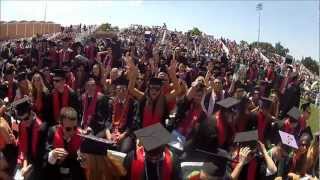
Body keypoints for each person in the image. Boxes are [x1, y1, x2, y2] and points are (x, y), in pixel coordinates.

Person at [128, 52, 180, 128]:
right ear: (148, 89)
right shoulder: (144, 97)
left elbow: (177, 90)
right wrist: (134, 73)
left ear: (160, 89)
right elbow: (131, 89)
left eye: (157, 89)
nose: (154, 91)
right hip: (143, 132)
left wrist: (172, 73)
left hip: (157, 133)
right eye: (152, 88)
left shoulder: (164, 99)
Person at [45, 107, 86, 180]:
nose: (72, 132)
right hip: (56, 172)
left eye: (75, 128)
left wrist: (84, 160)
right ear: (60, 124)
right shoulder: (53, 132)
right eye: (68, 129)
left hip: (73, 172)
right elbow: (45, 155)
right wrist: (53, 154)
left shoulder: (81, 135)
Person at [15, 98, 47, 180]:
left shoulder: (41, 128)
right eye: (21, 119)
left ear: (32, 113)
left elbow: (42, 156)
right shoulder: (21, 125)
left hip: (39, 162)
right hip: (26, 159)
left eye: (25, 119)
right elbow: (23, 148)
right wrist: (24, 166)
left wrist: (27, 168)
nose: (23, 122)